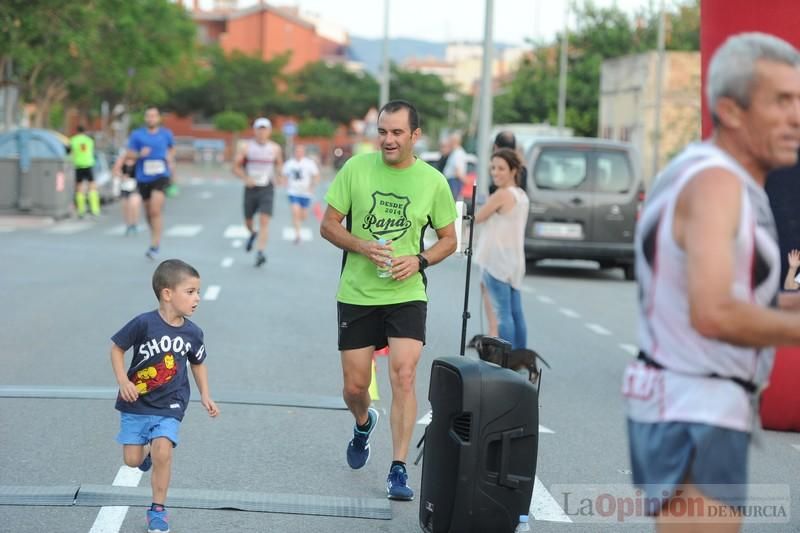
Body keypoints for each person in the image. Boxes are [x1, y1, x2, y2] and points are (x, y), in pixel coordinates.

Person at [624, 32, 800, 533]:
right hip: (690, 404)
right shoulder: (716, 182)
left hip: (699, 400)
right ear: (732, 110)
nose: (797, 117)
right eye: (782, 102)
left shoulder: (724, 178)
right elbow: (714, 313)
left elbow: (739, 302)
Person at [320, 99, 458, 501]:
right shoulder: (356, 168)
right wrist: (361, 245)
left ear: (416, 136)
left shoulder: (432, 181)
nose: (388, 140)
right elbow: (328, 225)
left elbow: (450, 239)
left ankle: (398, 468)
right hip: (358, 292)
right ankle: (364, 422)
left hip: (406, 292)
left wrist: (419, 260)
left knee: (404, 373)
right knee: (354, 386)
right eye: (383, 132)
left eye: (397, 132)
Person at [110, 259, 219, 533]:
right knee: (132, 461)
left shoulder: (193, 332)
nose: (197, 298)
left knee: (163, 449)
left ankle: (157, 510)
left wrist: (205, 394)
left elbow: (198, 362)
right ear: (167, 293)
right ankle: (145, 455)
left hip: (171, 404)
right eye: (191, 291)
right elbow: (116, 348)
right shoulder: (144, 323)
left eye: (198, 292)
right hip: (136, 402)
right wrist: (123, 380)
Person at [474, 148, 530, 350]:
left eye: (501, 169)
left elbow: (477, 218)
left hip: (497, 261)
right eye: (493, 168)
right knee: (516, 312)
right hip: (515, 260)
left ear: (513, 170)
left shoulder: (502, 194)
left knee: (502, 314)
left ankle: (507, 360)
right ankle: (520, 357)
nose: (495, 173)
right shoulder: (521, 195)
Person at [119, 106, 175, 260]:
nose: (151, 118)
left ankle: (155, 245)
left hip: (161, 175)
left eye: (154, 116)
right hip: (143, 177)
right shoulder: (137, 135)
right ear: (145, 118)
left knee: (156, 210)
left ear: (158, 118)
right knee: (149, 212)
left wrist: (170, 159)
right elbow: (129, 153)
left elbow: (172, 150)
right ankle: (154, 236)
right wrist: (139, 154)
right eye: (148, 116)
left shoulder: (166, 134)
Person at [233, 117, 283, 267]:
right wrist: (245, 178)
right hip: (251, 188)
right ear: (255, 131)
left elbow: (279, 164)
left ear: (269, 131)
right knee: (248, 221)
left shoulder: (275, 148)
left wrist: (279, 176)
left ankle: (260, 252)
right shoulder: (246, 147)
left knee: (264, 220)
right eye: (259, 129)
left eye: (265, 129)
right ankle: (252, 233)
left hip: (267, 187)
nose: (262, 132)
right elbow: (235, 167)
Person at [282, 144, 320, 244]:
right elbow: (284, 176)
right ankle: (298, 235)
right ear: (294, 152)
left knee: (303, 215)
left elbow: (316, 176)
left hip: (305, 193)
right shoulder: (289, 164)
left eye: (301, 151)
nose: (299, 153)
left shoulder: (309, 163)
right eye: (297, 151)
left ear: (303, 153)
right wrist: (285, 183)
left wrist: (312, 186)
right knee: (295, 212)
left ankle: (299, 222)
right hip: (293, 192)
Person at [69, 125, 100, 218]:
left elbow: (71, 153)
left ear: (77, 131)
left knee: (79, 188)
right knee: (92, 187)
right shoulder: (89, 140)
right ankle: (95, 209)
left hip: (78, 165)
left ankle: (81, 210)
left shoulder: (73, 140)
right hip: (89, 165)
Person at [114, 152, 142, 236]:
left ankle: (134, 223)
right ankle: (128, 225)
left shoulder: (139, 161)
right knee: (126, 207)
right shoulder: (122, 160)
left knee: (134, 205)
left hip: (135, 186)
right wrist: (121, 176)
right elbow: (115, 170)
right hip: (124, 186)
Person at [441, 131, 467, 199]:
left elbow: (458, 170)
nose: (449, 142)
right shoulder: (454, 152)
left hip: (454, 181)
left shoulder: (458, 153)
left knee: (452, 201)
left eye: (450, 140)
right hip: (452, 181)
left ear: (454, 141)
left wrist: (465, 180)